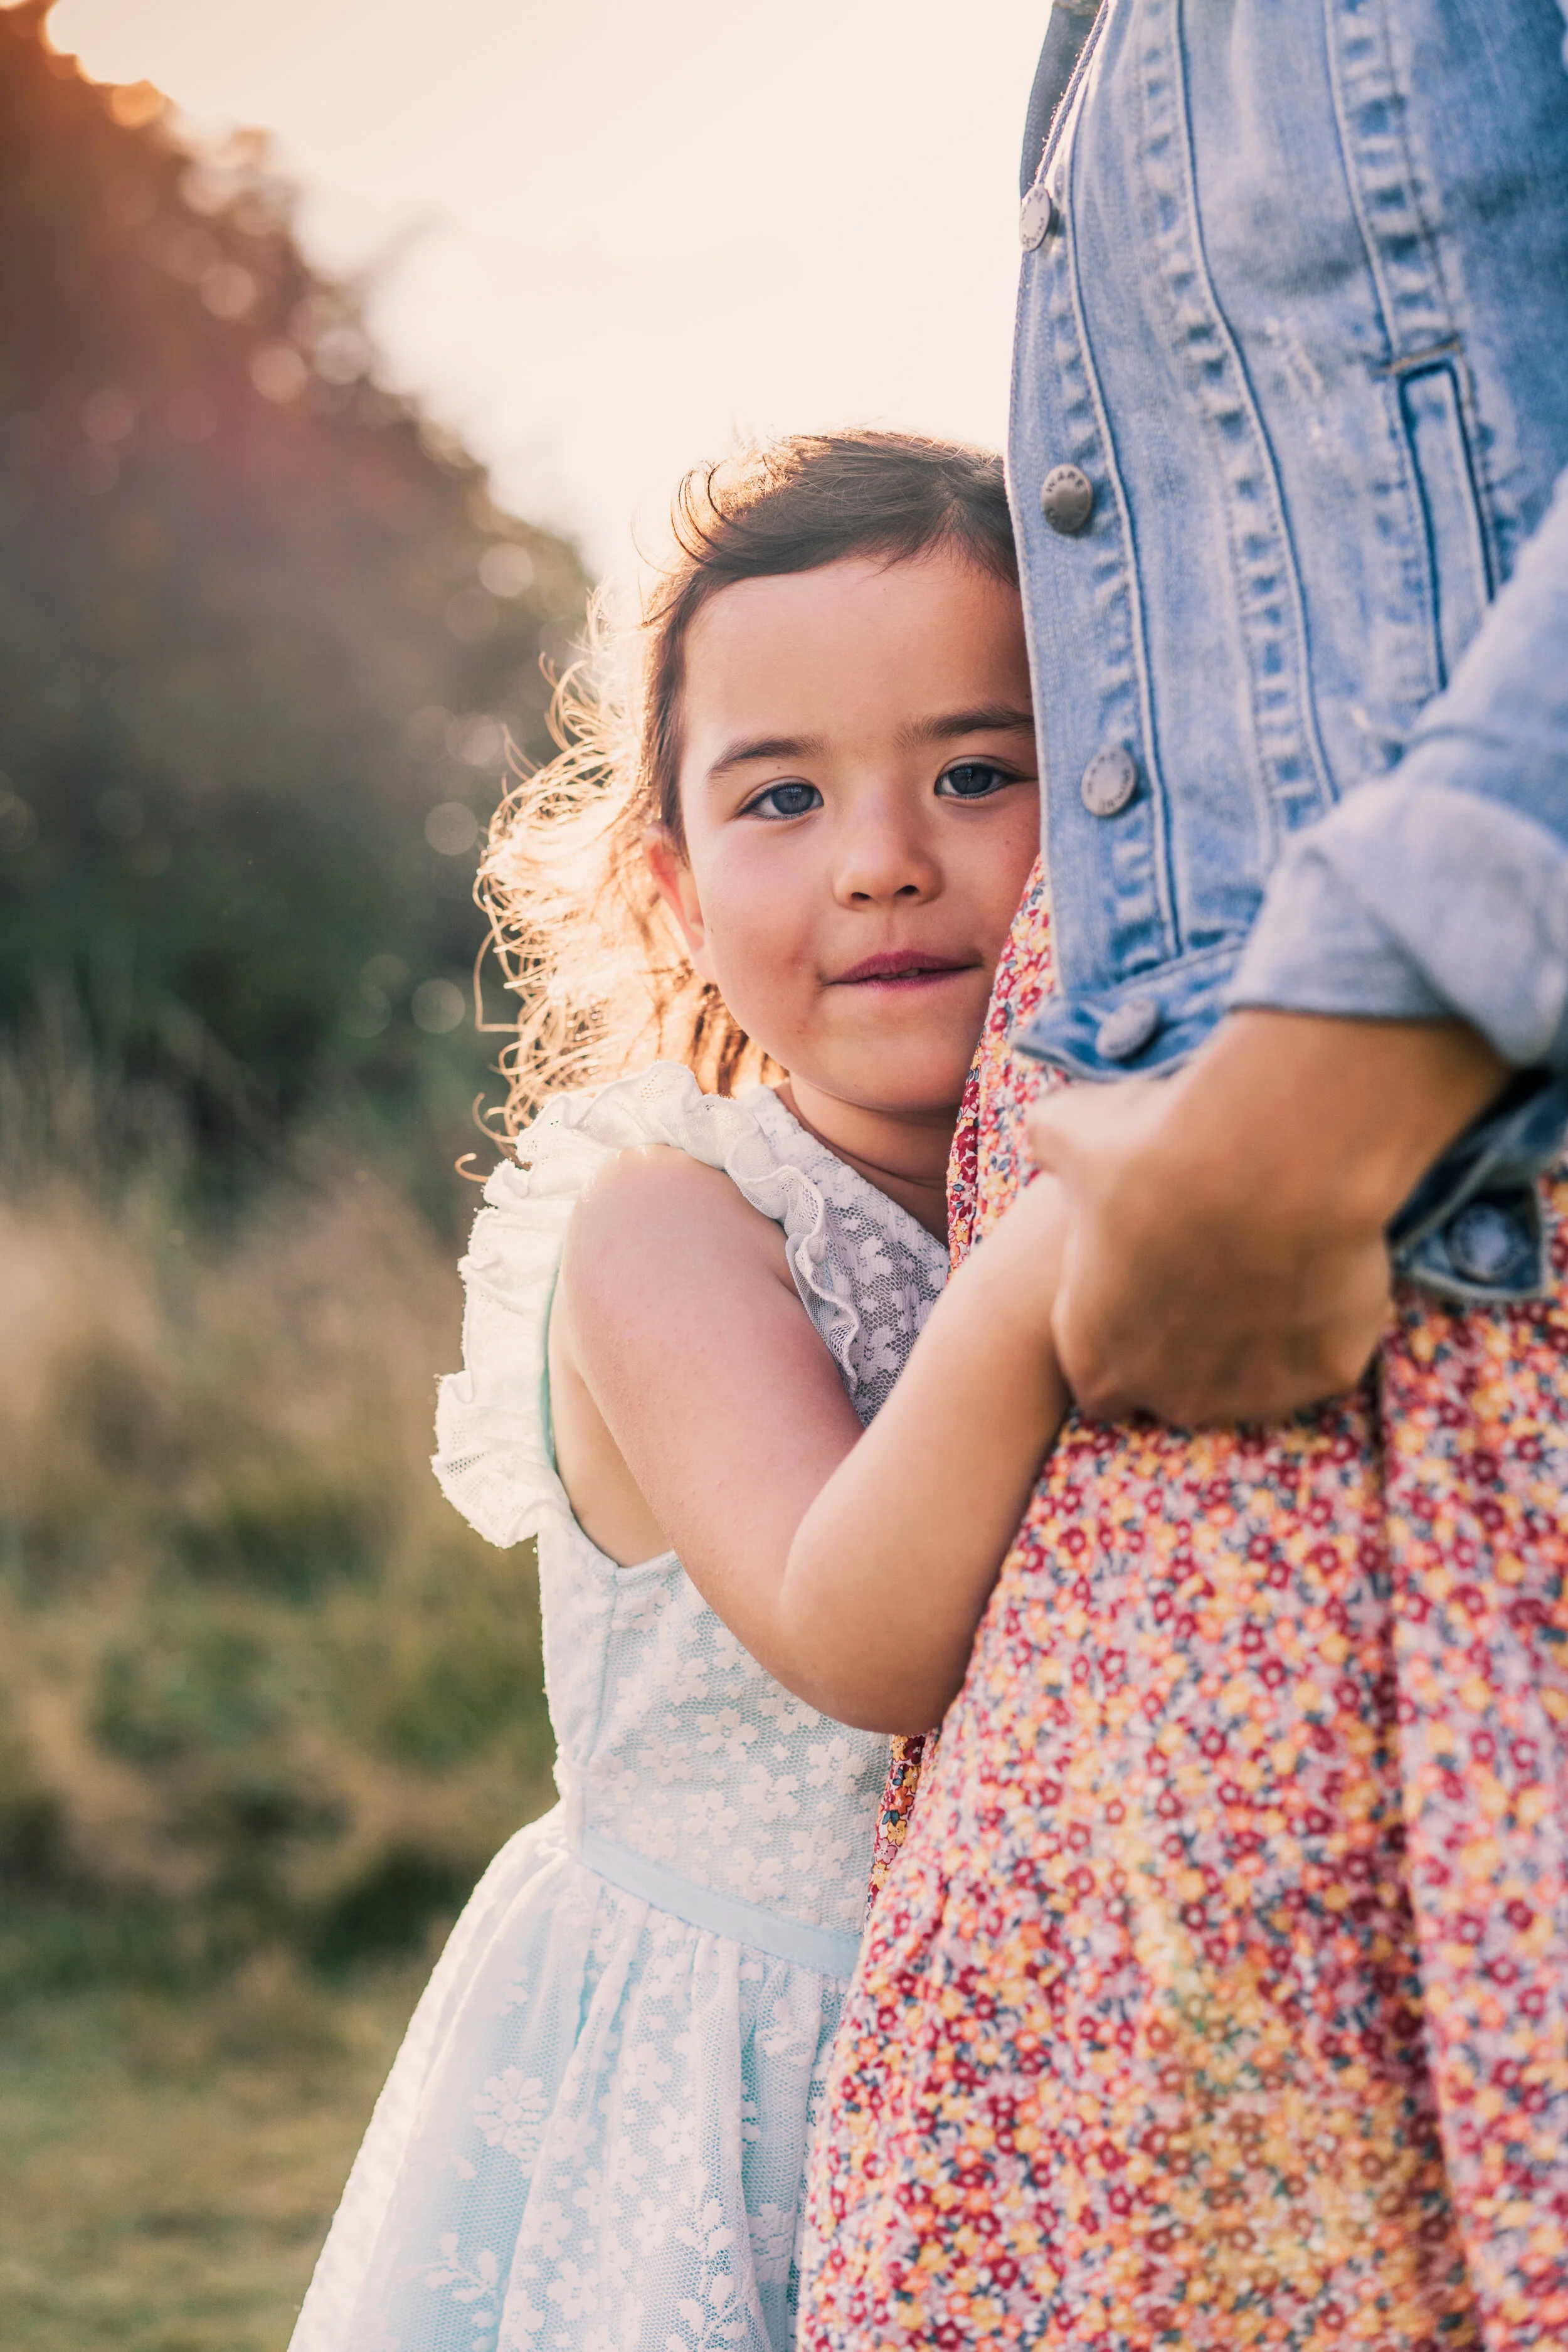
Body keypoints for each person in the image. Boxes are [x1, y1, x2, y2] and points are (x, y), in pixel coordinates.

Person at [798, 4, 1568, 2348]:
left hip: (1446, 1254)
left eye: (979, 766)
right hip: (1225, 1511)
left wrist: (1333, 1077)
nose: (884, 859)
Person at [288, 430, 1086, 2352]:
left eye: (977, 772)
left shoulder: (1060, 1193)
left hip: (1033, 2075)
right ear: (671, 889)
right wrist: (1067, 1256)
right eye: (782, 795)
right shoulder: (670, 1225)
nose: (882, 855)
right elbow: (853, 1629)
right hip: (727, 2105)